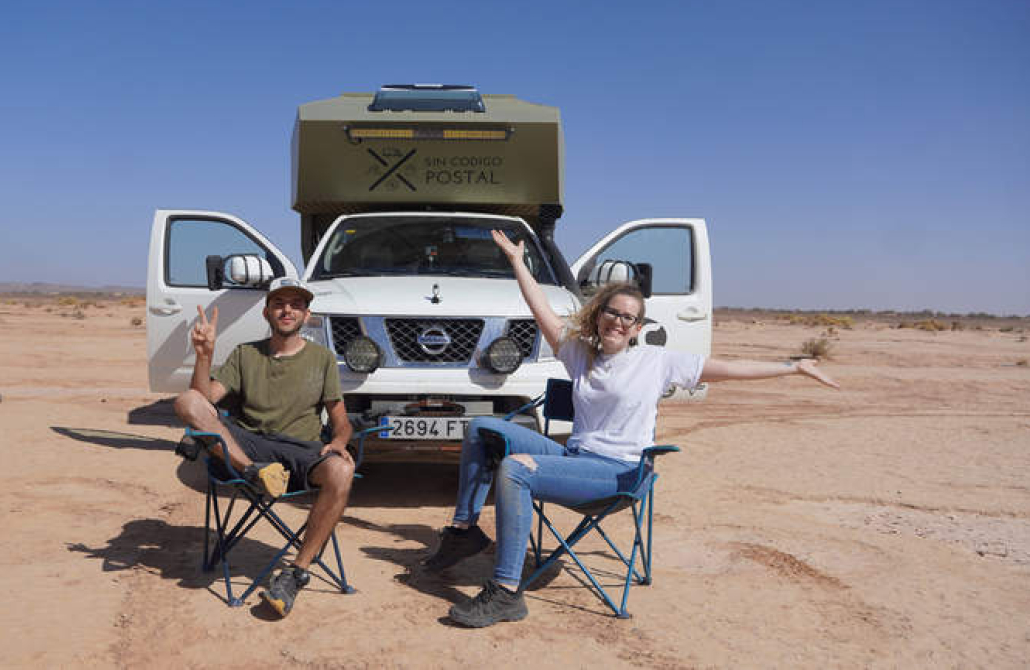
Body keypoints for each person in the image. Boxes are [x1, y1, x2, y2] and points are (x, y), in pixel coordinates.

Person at [424, 230, 840, 628]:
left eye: (629, 317)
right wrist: (518, 261)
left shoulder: (657, 362)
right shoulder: (579, 354)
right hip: (575, 459)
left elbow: (730, 369)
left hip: (619, 473)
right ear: (599, 314)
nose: (618, 322)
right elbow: (541, 309)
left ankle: (506, 593)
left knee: (516, 469)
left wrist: (793, 366)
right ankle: (463, 532)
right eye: (612, 312)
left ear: (638, 328)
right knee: (482, 428)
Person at [173, 277, 354, 618]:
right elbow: (203, 403)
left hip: (300, 450)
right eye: (279, 304)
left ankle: (296, 572)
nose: (287, 310)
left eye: (296, 305)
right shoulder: (245, 354)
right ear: (266, 312)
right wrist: (204, 356)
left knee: (342, 470)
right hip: (248, 448)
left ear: (307, 315)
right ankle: (255, 473)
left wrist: (338, 442)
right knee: (187, 402)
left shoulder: (323, 359)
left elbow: (341, 421)